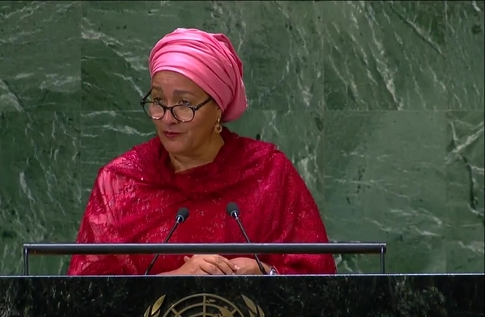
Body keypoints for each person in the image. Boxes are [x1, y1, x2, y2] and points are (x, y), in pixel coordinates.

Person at [67, 28, 336, 276]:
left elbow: (322, 285)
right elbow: (88, 296)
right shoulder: (119, 182)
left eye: (184, 104)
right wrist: (175, 280)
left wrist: (265, 273)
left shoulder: (267, 174)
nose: (167, 118)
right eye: (158, 101)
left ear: (218, 108)